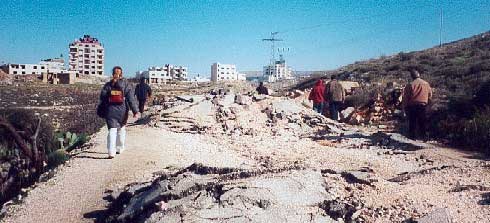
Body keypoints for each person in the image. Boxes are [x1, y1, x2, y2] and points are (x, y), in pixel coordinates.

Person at [99, 66, 139, 159]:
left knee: (112, 130)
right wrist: (135, 111)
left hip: (110, 110)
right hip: (122, 110)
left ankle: (110, 152)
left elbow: (102, 97)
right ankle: (120, 148)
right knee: (121, 129)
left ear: (113, 73)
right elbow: (131, 99)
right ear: (122, 74)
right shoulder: (126, 84)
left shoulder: (108, 84)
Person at [402, 69, 432, 140]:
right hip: (423, 105)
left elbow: (406, 97)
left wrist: (404, 107)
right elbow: (430, 95)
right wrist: (429, 104)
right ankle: (424, 137)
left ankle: (412, 137)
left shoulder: (410, 85)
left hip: (412, 106)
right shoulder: (426, 84)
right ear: (419, 75)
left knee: (412, 122)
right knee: (422, 121)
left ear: (412, 76)